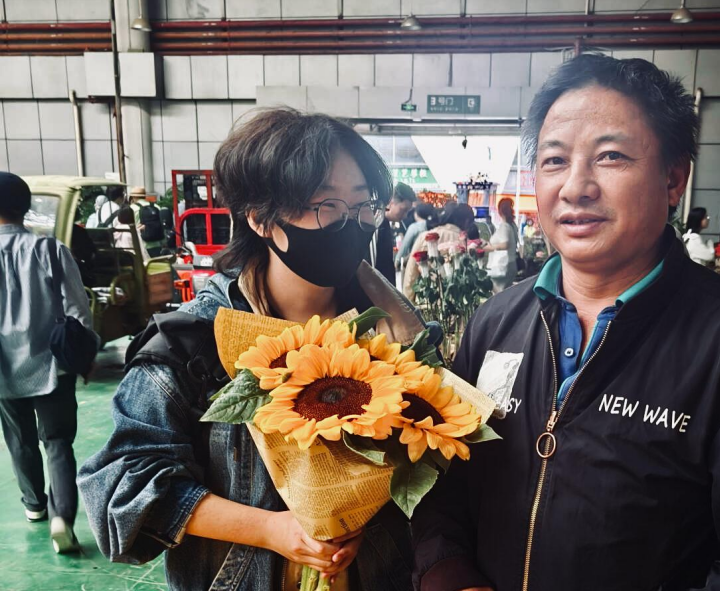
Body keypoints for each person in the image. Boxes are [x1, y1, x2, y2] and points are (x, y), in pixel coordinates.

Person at [411, 54, 720, 590]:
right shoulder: (494, 324)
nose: (576, 187)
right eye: (554, 160)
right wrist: (451, 576)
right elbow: (441, 481)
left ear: (673, 178)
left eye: (610, 156)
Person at [78, 109, 422, 591]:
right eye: (326, 204)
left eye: (363, 204)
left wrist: (363, 518)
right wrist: (272, 530)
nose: (350, 222)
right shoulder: (194, 344)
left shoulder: (393, 332)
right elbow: (121, 488)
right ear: (261, 218)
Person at [0, 172, 97, 554]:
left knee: (19, 439)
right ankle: (62, 518)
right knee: (57, 442)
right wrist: (85, 355)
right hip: (52, 365)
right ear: (25, 207)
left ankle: (34, 505)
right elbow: (78, 310)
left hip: (3, 368)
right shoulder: (50, 250)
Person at [402, 203, 478, 299]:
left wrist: (408, 302)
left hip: (427, 300)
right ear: (466, 221)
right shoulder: (465, 242)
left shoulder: (424, 237)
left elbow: (411, 275)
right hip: (458, 301)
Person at [369, 182, 417, 284]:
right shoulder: (376, 225)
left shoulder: (384, 223)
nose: (405, 216)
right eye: (403, 210)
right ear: (391, 202)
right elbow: (372, 267)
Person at [483, 198, 519, 294]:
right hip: (510, 264)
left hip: (501, 266)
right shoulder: (512, 226)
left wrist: (489, 248)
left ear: (500, 211)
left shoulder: (504, 226)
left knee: (497, 294)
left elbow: (505, 244)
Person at [128, 186, 167, 257]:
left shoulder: (131, 208)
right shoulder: (156, 207)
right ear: (144, 196)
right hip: (157, 244)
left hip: (141, 246)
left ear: (133, 197)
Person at [396, 203, 436, 269]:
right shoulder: (433, 225)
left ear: (416, 214)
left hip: (416, 260)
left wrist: (397, 259)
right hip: (431, 260)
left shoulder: (414, 227)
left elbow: (405, 245)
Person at [97, 185, 133, 249]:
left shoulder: (102, 207)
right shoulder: (118, 210)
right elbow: (119, 231)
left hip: (102, 241)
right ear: (119, 197)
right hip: (114, 244)